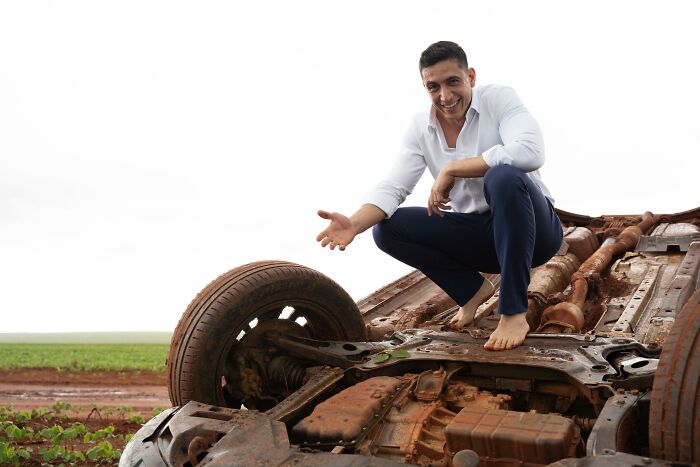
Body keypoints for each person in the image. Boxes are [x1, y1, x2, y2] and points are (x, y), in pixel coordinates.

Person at [316, 41, 562, 351]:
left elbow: (530, 151)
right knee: (388, 228)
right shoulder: (421, 128)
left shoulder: (498, 98)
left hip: (535, 233)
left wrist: (454, 169)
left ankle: (513, 311)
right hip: (483, 239)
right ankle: (471, 291)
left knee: (504, 176)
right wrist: (353, 223)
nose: (445, 96)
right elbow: (394, 185)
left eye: (452, 82)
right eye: (433, 87)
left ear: (470, 76)